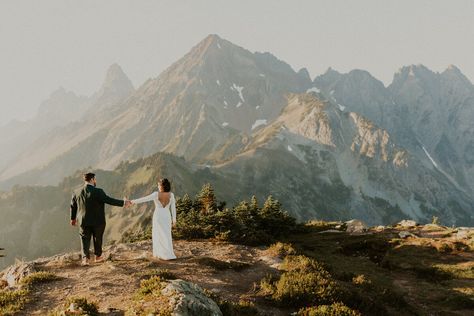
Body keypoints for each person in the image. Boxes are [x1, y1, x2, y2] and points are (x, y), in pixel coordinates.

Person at [70, 172, 131, 266]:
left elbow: (73, 206)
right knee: (97, 238)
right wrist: (123, 203)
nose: (95, 181)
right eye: (95, 179)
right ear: (91, 180)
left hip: (83, 220)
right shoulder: (98, 191)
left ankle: (85, 259)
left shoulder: (77, 191)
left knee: (84, 239)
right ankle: (98, 257)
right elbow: (109, 200)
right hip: (98, 221)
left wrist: (73, 218)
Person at [130, 178, 177, 260]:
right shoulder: (171, 195)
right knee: (167, 234)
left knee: (158, 234)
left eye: (159, 185)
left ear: (162, 186)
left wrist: (132, 201)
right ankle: (168, 254)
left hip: (158, 216)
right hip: (167, 216)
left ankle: (160, 254)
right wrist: (174, 220)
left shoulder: (156, 194)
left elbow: (144, 199)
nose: (158, 186)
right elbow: (173, 208)